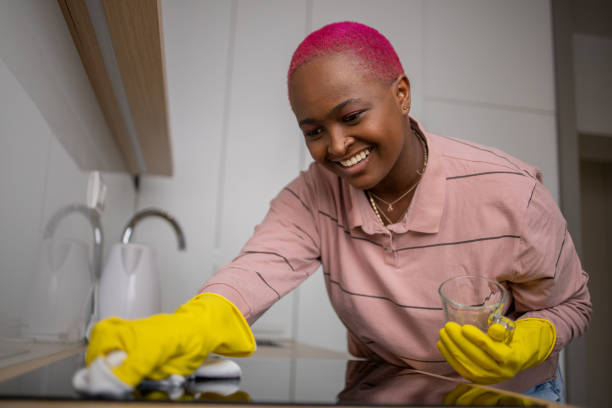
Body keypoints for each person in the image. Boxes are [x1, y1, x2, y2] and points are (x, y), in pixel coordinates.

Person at [84, 22, 591, 402]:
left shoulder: (508, 190)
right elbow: (251, 275)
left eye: (351, 116)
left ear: (401, 93)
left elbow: (572, 304)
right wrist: (186, 327)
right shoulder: (312, 196)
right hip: (391, 391)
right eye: (314, 130)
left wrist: (532, 337)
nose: (338, 145)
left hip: (507, 397)